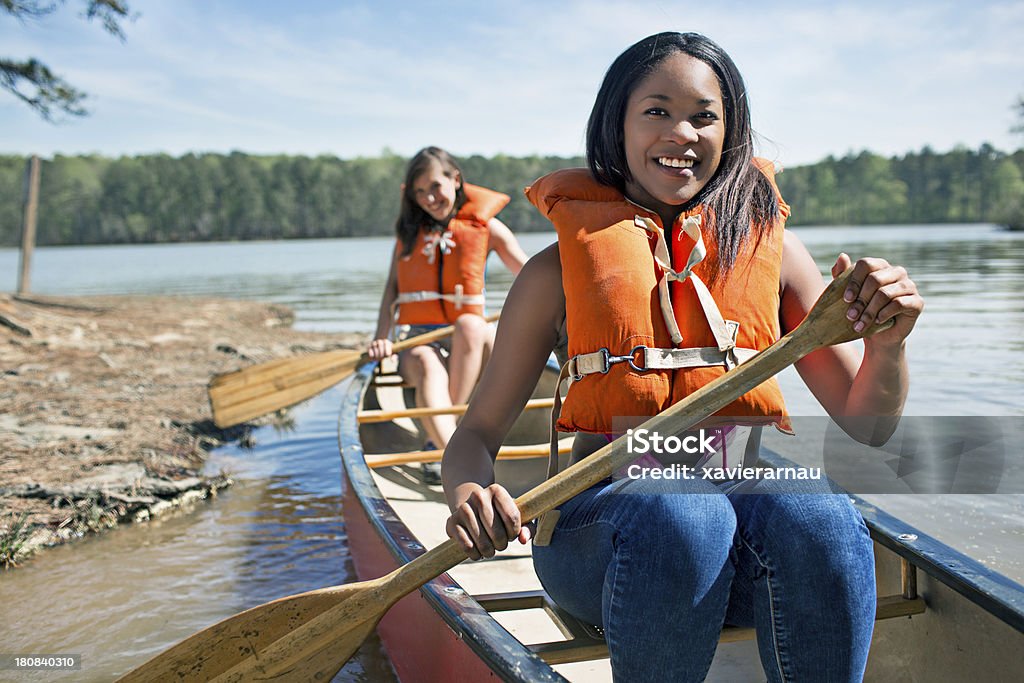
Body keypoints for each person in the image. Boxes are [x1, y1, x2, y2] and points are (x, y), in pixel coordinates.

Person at [441, 32, 924, 682]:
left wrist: (885, 348)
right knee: (682, 510)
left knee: (822, 510)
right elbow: (473, 435)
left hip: (740, 520)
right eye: (657, 111)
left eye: (704, 116)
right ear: (619, 123)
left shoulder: (776, 255)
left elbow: (869, 425)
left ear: (732, 131)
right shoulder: (553, 272)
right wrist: (472, 492)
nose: (682, 133)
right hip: (601, 530)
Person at [368, 146, 528, 484]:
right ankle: (455, 452)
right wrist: (382, 336)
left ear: (455, 180)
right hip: (419, 340)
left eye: (435, 186)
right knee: (427, 363)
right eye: (420, 192)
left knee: (471, 324)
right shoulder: (409, 236)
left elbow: (530, 277)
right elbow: (391, 291)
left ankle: (441, 439)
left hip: (470, 343)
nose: (429, 198)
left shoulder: (489, 229)